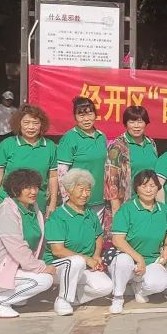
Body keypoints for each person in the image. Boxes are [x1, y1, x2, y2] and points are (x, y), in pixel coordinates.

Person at [0, 169, 56, 318]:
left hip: (17, 268)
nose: (34, 192)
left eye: (36, 187)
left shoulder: (33, 209)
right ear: (15, 189)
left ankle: (8, 295)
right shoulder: (7, 211)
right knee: (44, 280)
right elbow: (17, 248)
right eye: (28, 188)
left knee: (45, 276)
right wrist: (41, 267)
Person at [43, 169, 113, 316]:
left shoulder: (90, 213)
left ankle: (74, 298)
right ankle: (63, 299)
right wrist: (86, 259)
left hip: (86, 264)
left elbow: (98, 236)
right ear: (68, 191)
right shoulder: (58, 216)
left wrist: (96, 255)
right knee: (76, 261)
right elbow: (57, 250)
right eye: (81, 190)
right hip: (59, 265)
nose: (85, 194)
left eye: (88, 190)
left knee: (106, 287)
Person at [108, 170, 167, 314]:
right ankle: (118, 297)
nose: (149, 190)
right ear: (136, 188)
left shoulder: (164, 210)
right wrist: (138, 258)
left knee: (159, 284)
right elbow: (117, 240)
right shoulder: (127, 209)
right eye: (144, 186)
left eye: (152, 186)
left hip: (152, 260)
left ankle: (139, 288)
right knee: (123, 261)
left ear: (158, 187)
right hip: (129, 259)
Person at [0, 103, 58, 219]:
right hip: (9, 203)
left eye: (35, 123)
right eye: (26, 122)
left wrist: (52, 203)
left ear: (41, 125)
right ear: (18, 123)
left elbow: (53, 176)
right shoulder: (6, 145)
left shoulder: (50, 146)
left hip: (37, 203)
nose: (31, 127)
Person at [56, 97, 108, 235]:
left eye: (89, 114)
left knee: (96, 235)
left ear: (95, 115)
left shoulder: (101, 136)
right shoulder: (69, 138)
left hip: (99, 198)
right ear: (75, 117)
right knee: (77, 235)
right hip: (77, 199)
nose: (86, 119)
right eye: (81, 115)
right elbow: (61, 172)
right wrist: (68, 199)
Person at [105, 105, 159, 217]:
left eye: (140, 122)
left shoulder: (151, 143)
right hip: (127, 204)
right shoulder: (118, 146)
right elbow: (110, 181)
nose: (136, 126)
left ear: (146, 123)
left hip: (149, 202)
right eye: (132, 122)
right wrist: (116, 211)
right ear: (126, 124)